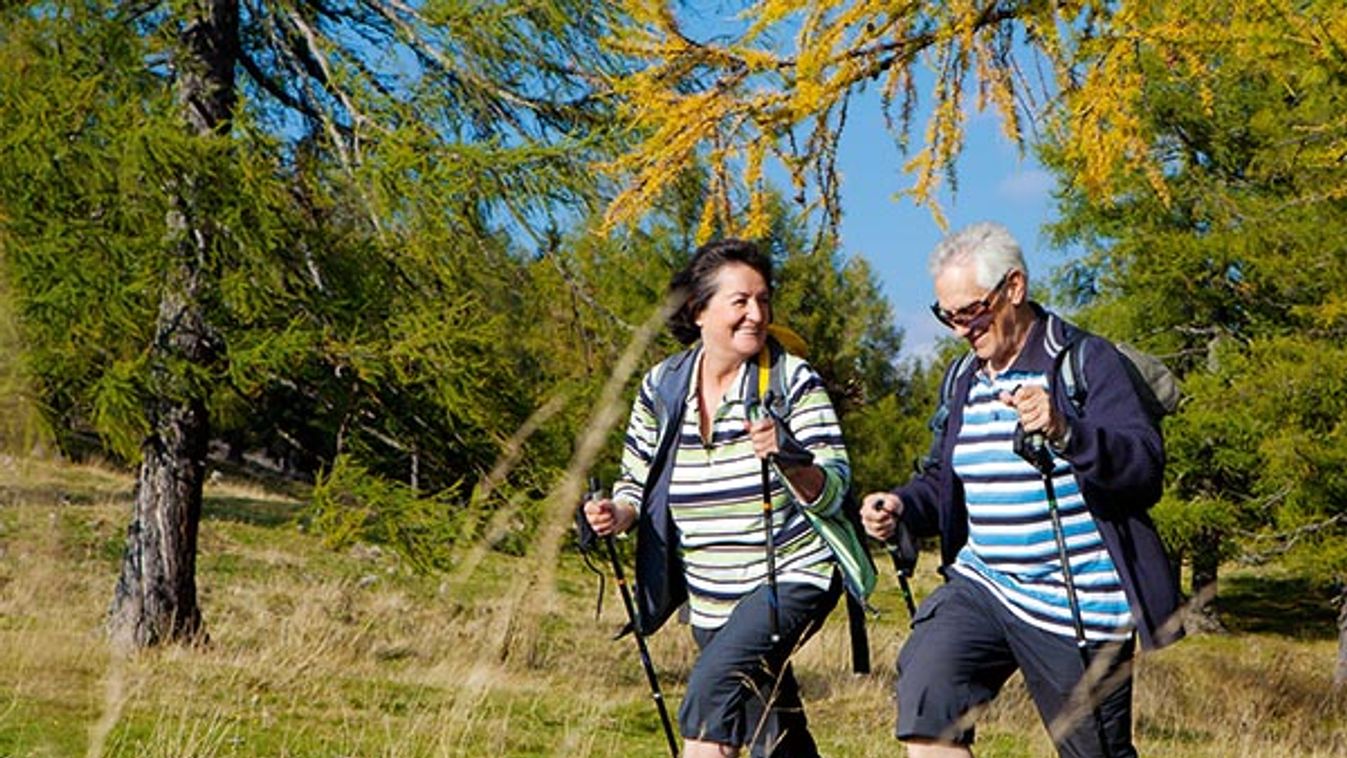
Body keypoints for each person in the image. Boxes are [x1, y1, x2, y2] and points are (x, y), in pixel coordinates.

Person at [860, 222, 1184, 758]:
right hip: (984, 586)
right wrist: (900, 505)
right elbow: (944, 479)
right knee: (927, 697)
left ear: (1015, 288)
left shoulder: (1085, 360)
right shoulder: (963, 378)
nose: (961, 328)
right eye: (948, 316)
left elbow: (1144, 468)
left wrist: (1066, 431)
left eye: (971, 311)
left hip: (1075, 602)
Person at [584, 238, 851, 757]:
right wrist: (615, 514)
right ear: (698, 310)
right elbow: (636, 482)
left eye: (764, 300)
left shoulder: (792, 380)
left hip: (792, 577)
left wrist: (791, 459)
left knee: (709, 701)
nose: (757, 314)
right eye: (741, 301)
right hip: (709, 595)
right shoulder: (663, 385)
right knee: (771, 730)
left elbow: (835, 484)